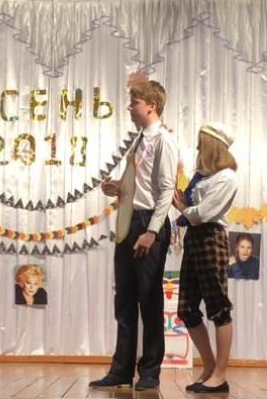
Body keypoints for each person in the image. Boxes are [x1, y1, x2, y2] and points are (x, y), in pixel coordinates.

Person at [90, 79, 178, 391]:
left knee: (149, 299)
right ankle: (121, 369)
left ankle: (150, 370)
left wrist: (152, 231)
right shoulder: (139, 140)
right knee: (124, 299)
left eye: (134, 102)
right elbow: (141, 185)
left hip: (147, 223)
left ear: (151, 105)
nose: (129, 107)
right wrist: (119, 188)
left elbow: (166, 190)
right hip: (129, 222)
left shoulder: (164, 141)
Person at [172, 122, 238, 394]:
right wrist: (185, 207)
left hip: (211, 237)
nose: (198, 149)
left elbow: (203, 213)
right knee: (186, 309)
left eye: (201, 145)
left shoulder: (227, 177)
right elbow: (194, 211)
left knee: (218, 307)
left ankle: (220, 375)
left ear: (212, 146)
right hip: (195, 238)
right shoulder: (202, 176)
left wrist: (183, 208)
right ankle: (209, 366)